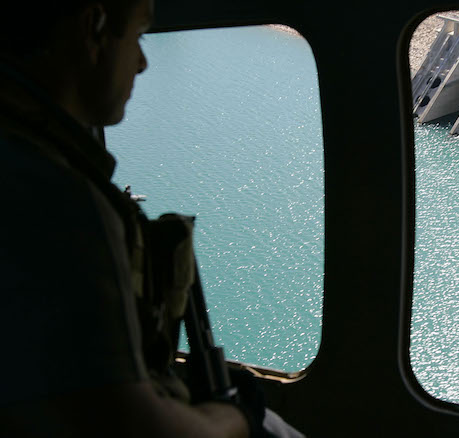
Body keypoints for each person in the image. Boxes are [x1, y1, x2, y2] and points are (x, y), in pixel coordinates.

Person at [0, 1, 301, 437]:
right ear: (94, 26)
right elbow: (133, 425)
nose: (142, 63)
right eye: (139, 35)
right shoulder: (56, 197)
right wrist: (238, 418)